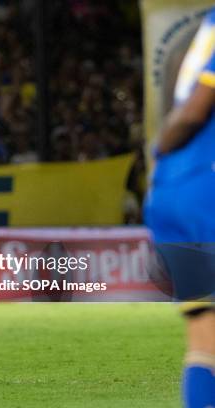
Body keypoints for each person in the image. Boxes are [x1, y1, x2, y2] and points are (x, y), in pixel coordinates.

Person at [144, 8, 215, 407]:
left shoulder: (210, 20)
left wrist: (161, 156)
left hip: (174, 190)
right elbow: (194, 110)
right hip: (207, 188)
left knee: (205, 342)